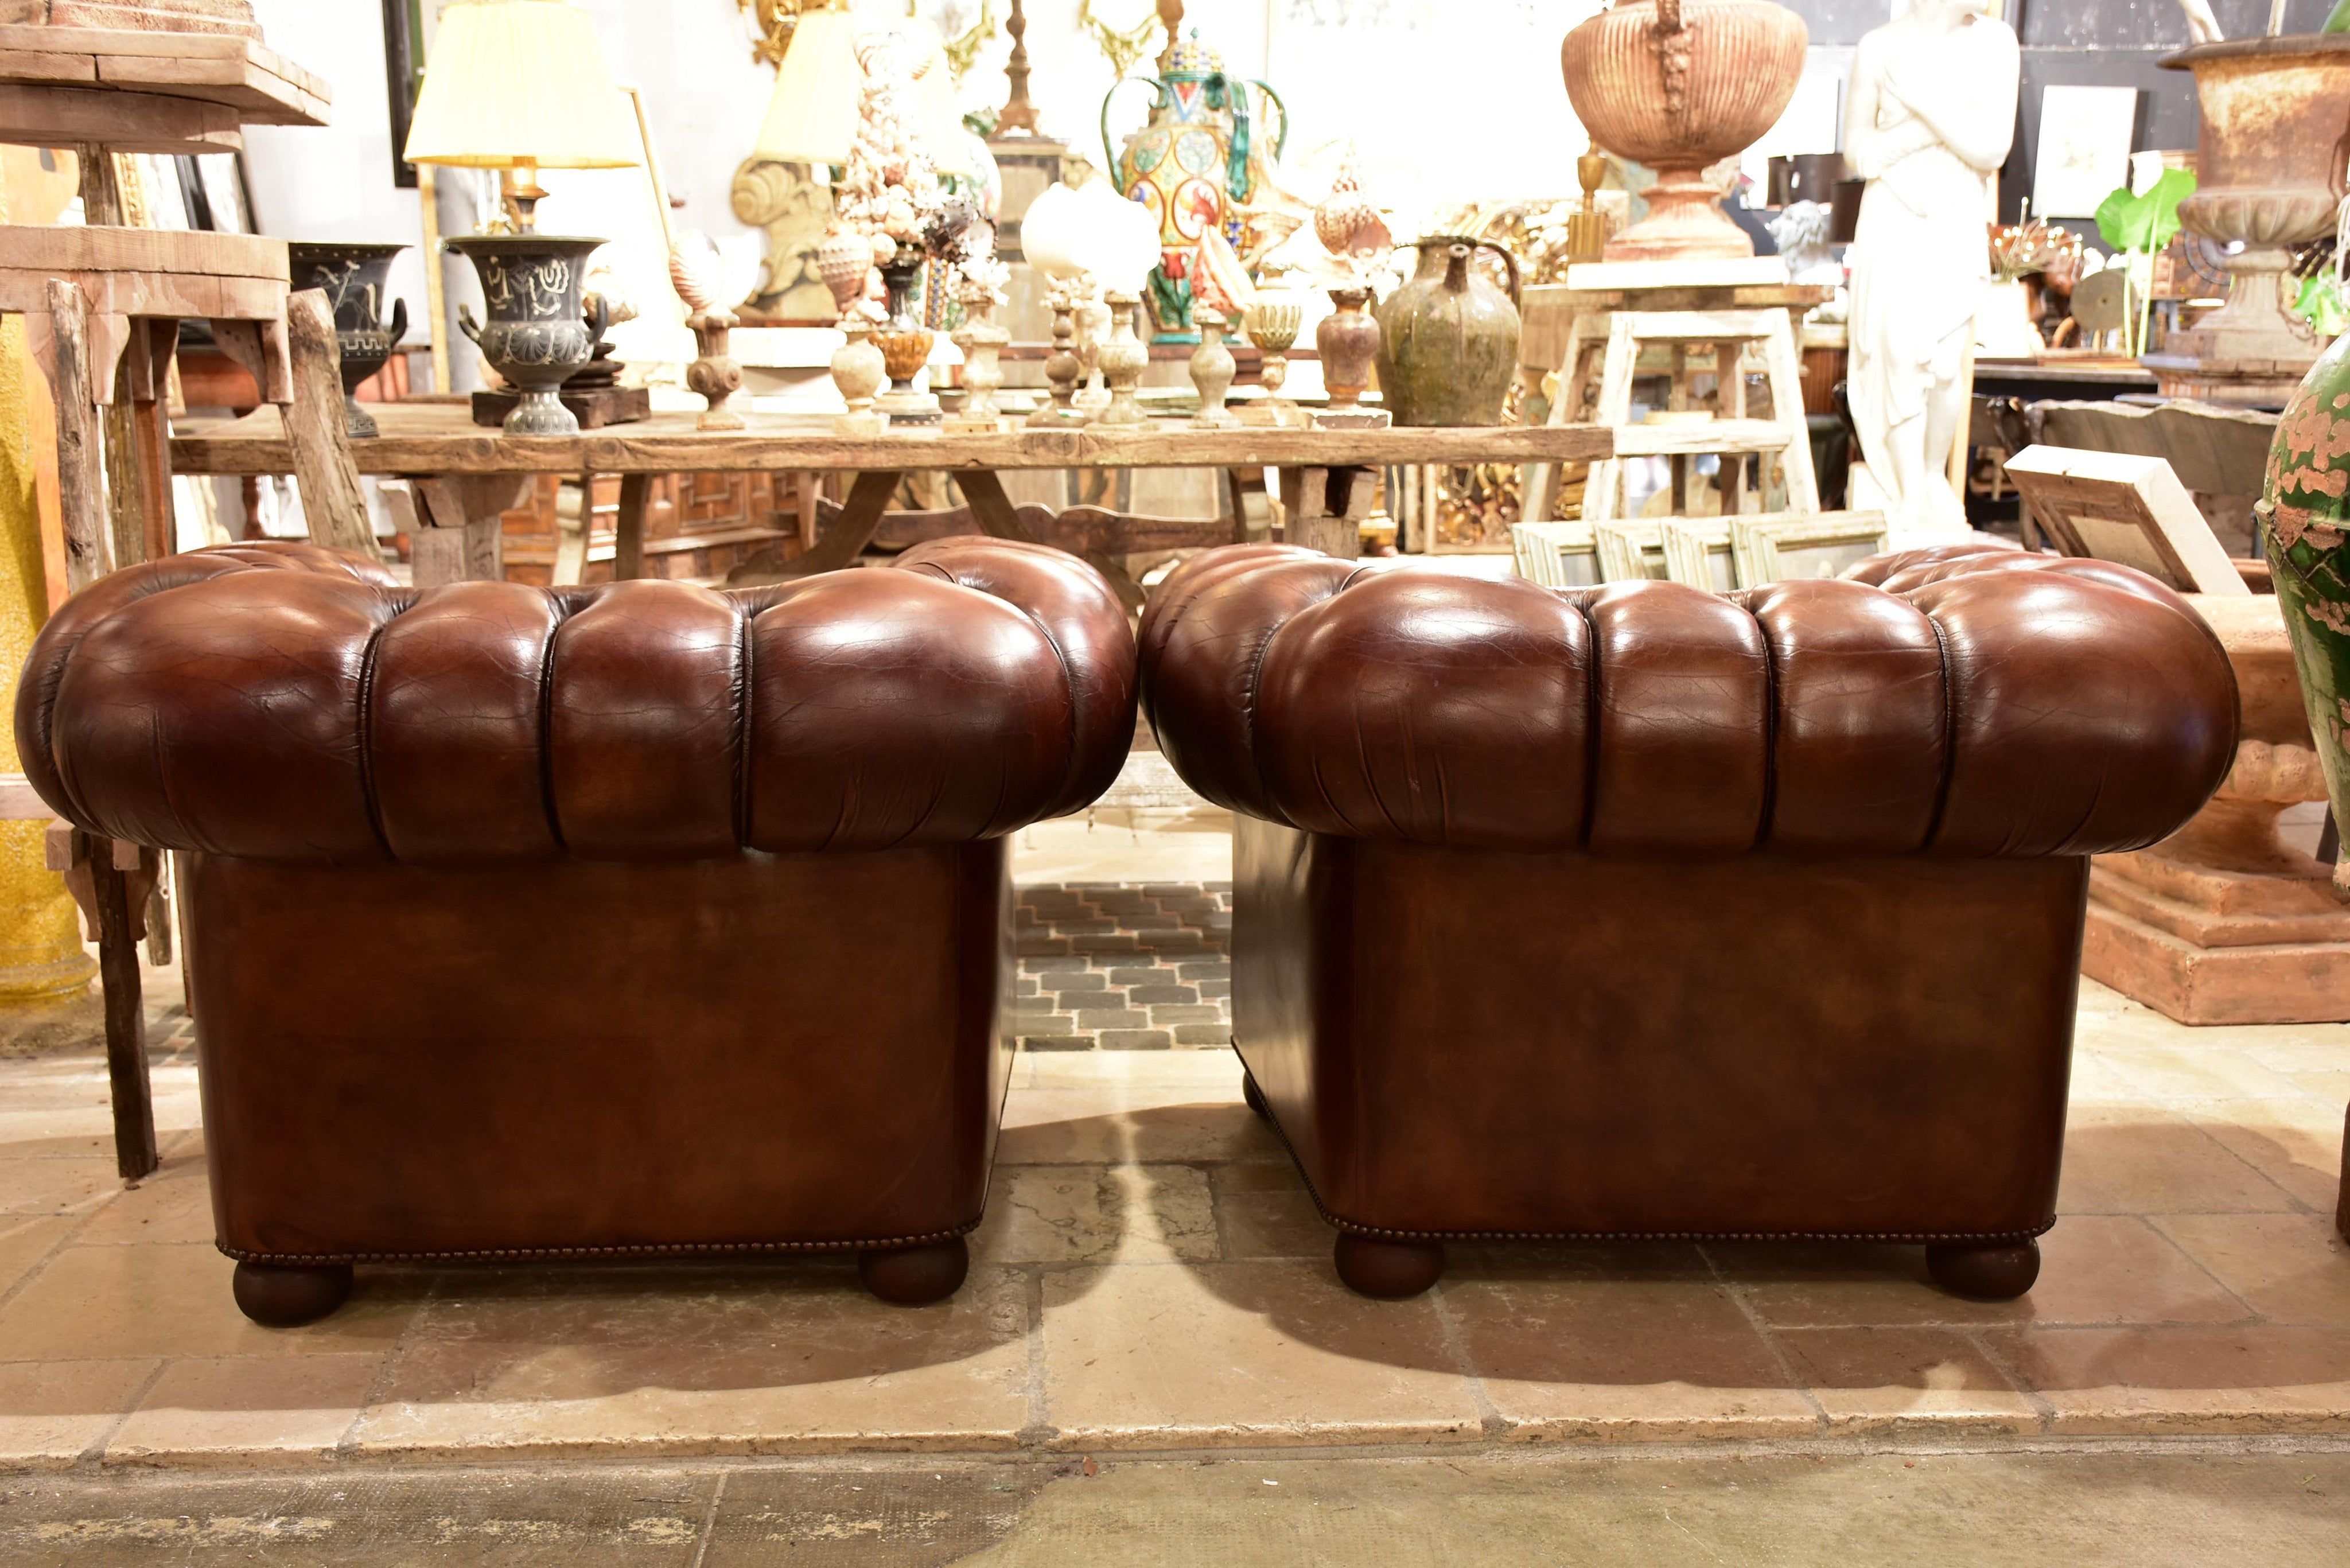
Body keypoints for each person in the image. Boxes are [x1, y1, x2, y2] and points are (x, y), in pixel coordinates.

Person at [1844, 0, 2018, 538]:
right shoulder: (1879, 48)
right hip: (1895, 216)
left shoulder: (1996, 43)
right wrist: (1934, 131)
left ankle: (1929, 478)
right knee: (1897, 352)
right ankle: (1907, 494)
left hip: (1956, 217)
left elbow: (1991, 150)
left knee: (1945, 365)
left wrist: (1922, 105)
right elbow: (1860, 155)